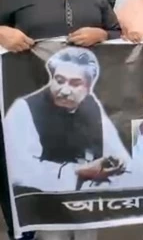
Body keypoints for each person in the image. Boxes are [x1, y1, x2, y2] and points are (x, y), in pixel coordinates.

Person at [0, 0, 122, 240]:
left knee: (86, 196)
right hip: (32, 110)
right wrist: (2, 33)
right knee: (43, 196)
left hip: (86, 113)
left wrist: (101, 34)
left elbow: (118, 33)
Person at [5, 48, 130, 240]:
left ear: (89, 87)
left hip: (87, 204)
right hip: (45, 206)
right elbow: (21, 171)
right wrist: (78, 172)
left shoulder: (91, 104)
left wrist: (116, 162)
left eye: (75, 83)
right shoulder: (24, 109)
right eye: (59, 80)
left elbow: (115, 150)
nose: (64, 90)